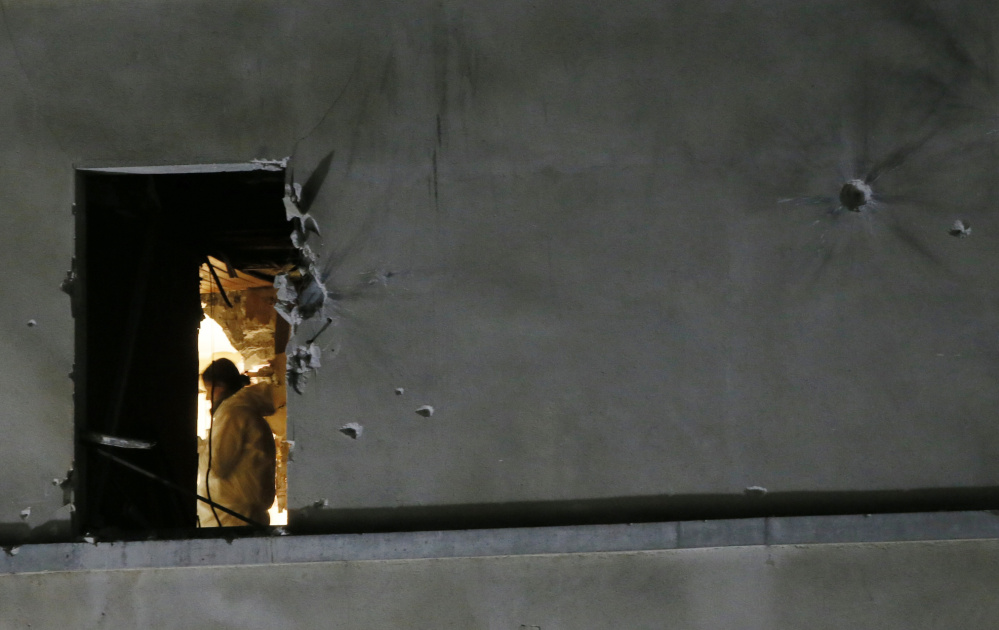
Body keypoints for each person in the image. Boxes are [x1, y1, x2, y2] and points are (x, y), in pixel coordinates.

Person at [197, 358, 276, 527]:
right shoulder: (244, 412)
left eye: (208, 390)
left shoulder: (233, 414)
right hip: (239, 515)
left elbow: (216, 465)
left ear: (220, 386)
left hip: (231, 517)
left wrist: (197, 447)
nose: (206, 398)